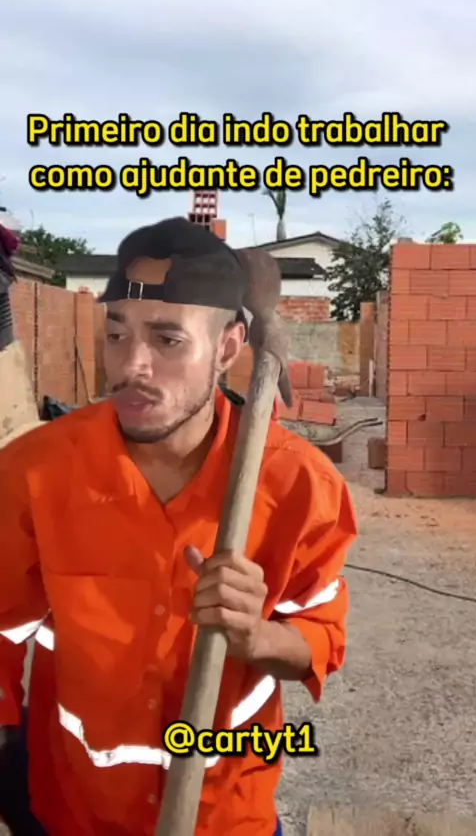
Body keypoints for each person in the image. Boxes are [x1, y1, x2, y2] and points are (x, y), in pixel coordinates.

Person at [0, 217, 357, 836]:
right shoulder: (35, 472)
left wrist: (256, 636)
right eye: (117, 334)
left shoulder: (298, 485)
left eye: (167, 339)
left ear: (227, 348)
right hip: (76, 812)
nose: (132, 365)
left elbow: (321, 639)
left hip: (227, 814)